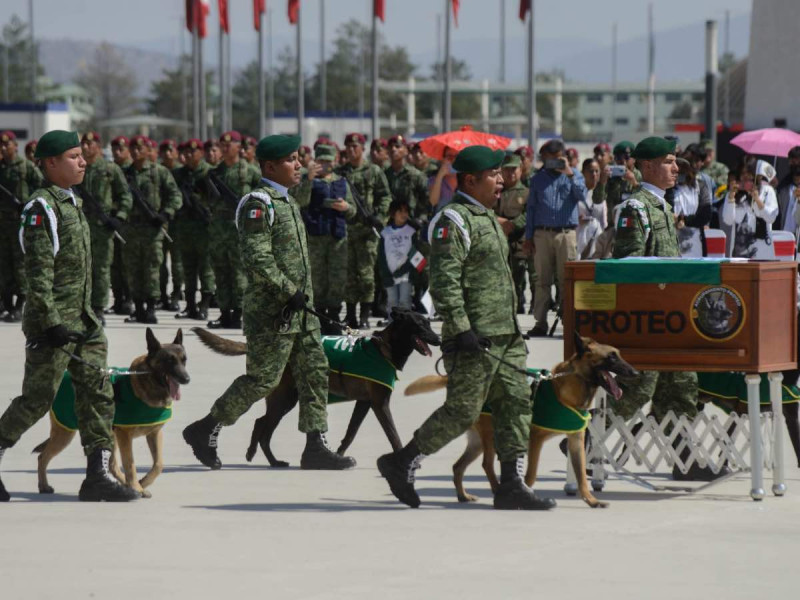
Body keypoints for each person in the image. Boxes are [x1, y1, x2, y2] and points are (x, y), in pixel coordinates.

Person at [376, 145, 555, 511]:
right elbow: (444, 281)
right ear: (470, 180)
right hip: (476, 338)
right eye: (494, 175)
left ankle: (511, 483)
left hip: (505, 335)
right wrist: (460, 330)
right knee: (463, 411)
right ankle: (403, 460)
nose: (502, 181)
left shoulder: (485, 215)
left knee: (517, 406)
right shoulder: (452, 220)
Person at [182, 134, 356, 471]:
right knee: (263, 380)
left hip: (301, 312)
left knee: (315, 372)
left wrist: (300, 296)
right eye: (292, 159)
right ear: (271, 166)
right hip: (273, 312)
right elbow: (257, 258)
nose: (298, 164)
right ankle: (206, 428)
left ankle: (315, 444)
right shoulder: (258, 203)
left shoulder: (287, 200)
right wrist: (287, 289)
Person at [0, 130, 138, 502]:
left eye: (82, 155)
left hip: (84, 320)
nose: (82, 162)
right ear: (50, 163)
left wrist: (85, 314)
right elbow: (38, 274)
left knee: (97, 392)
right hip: (54, 325)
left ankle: (97, 474)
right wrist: (50, 321)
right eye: (74, 156)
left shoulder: (72, 202)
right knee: (37, 398)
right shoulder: (40, 208)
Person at [612, 136, 720, 481]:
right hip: (648, 321)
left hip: (672, 318)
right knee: (638, 391)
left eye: (676, 162)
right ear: (646, 166)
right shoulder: (636, 208)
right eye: (669, 161)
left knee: (682, 388)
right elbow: (628, 268)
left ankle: (685, 460)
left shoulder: (661, 205)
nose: (676, 168)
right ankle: (582, 437)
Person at [523, 139, 586, 337]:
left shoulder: (574, 175)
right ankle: (540, 322)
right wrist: (529, 236)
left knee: (566, 280)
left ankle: (569, 322)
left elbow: (582, 196)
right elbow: (531, 209)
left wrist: (568, 172)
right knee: (542, 280)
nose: (552, 164)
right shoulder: (538, 178)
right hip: (542, 234)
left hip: (566, 234)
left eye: (556, 160)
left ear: (564, 157)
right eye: (548, 160)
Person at [295, 143, 356, 332]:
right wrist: (309, 180)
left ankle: (335, 313)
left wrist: (346, 207)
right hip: (316, 238)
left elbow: (353, 211)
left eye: (328, 161)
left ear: (335, 161)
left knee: (337, 278)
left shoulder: (342, 181)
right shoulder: (307, 179)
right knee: (318, 278)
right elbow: (299, 202)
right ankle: (320, 314)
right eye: (321, 161)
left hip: (337, 238)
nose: (325, 165)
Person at [121, 135, 182, 324]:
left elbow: (175, 196)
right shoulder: (124, 173)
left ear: (148, 150)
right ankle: (137, 308)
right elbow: (114, 195)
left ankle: (150, 308)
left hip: (152, 229)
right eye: (133, 148)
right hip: (131, 228)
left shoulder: (159, 172)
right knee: (133, 269)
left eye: (140, 148)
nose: (136, 151)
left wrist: (165, 214)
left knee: (152, 269)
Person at [335, 132, 392, 330]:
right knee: (349, 276)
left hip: (367, 231)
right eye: (348, 147)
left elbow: (385, 196)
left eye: (355, 147)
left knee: (366, 275)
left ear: (362, 148)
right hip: (347, 230)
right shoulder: (340, 173)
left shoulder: (374, 171)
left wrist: (380, 218)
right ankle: (350, 315)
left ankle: (365, 315)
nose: (352, 150)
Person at [207, 130, 262, 329]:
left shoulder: (250, 171)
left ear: (239, 147)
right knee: (221, 272)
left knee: (239, 273)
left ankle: (239, 313)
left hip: (240, 227)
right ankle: (224, 313)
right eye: (222, 144)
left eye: (229, 144)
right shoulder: (214, 173)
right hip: (218, 228)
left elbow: (263, 198)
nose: (225, 148)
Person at [79, 132, 133, 322]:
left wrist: (119, 217)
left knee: (101, 270)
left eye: (89, 143)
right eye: (83, 143)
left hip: (102, 228)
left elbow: (125, 196)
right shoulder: (77, 168)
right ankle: (81, 307)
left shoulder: (110, 169)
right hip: (79, 226)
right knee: (80, 268)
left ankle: (98, 308)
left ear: (98, 146)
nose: (85, 147)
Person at [0, 130, 43, 322]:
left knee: (20, 265)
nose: (3, 148)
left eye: (6, 144)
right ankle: (7, 303)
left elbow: (42, 189)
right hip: (2, 224)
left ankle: (21, 304)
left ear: (15, 146)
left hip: (21, 223)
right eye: (1, 145)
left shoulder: (26, 167)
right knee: (4, 265)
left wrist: (28, 204)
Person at [384, 134, 431, 312]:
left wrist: (421, 218)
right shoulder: (385, 175)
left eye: (398, 146)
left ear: (405, 150)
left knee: (418, 266)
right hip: (392, 230)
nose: (394, 150)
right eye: (391, 147)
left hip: (412, 229)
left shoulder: (415, 175)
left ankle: (419, 300)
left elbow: (426, 201)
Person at [172, 139, 216, 321]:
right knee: (188, 269)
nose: (189, 155)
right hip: (185, 228)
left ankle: (204, 305)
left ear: (200, 153)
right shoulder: (178, 174)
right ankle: (190, 306)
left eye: (193, 151)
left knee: (205, 269)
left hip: (204, 228)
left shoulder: (209, 173)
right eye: (186, 151)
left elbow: (216, 199)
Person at [494, 153, 532, 313]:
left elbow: (529, 213)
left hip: (518, 241)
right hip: (498, 239)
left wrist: (513, 224)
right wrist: (499, 221)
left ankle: (518, 305)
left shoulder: (526, 192)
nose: (511, 173)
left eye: (514, 169)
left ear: (521, 170)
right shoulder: (495, 191)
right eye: (507, 170)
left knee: (518, 276)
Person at [720, 159, 779, 258]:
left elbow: (771, 217)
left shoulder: (767, 191)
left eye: (749, 173)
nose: (745, 177)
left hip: (762, 251)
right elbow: (728, 220)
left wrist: (757, 199)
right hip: (739, 254)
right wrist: (731, 197)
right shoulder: (735, 193)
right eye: (742, 174)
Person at [377, 199, 424, 319]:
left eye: (406, 211)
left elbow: (415, 255)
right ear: (393, 213)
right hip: (390, 275)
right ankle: (392, 328)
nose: (404, 214)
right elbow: (381, 256)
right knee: (392, 303)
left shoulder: (411, 232)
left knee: (405, 302)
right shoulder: (385, 233)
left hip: (405, 276)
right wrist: (386, 274)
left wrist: (403, 270)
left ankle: (405, 329)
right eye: (400, 211)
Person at [108, 136, 134, 316]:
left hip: (131, 225)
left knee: (128, 265)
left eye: (121, 149)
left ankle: (129, 299)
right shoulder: (110, 170)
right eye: (114, 149)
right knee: (114, 264)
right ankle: (117, 299)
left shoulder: (133, 170)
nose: (117, 152)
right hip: (112, 223)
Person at [157, 139, 183, 311]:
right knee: (160, 263)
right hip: (158, 222)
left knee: (177, 263)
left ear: (176, 153)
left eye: (170, 150)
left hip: (179, 223)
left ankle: (176, 294)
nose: (167, 154)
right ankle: (162, 295)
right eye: (164, 150)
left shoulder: (182, 172)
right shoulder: (157, 171)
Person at [671, 157, 712, 256]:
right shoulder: (668, 188)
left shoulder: (700, 187)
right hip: (673, 238)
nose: (679, 175)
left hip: (695, 238)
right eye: (676, 172)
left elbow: (705, 215)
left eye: (682, 172)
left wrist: (683, 219)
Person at [592, 140, 640, 215]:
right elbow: (597, 201)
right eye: (618, 158)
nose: (623, 161)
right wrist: (602, 182)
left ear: (634, 158)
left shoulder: (640, 176)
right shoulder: (611, 175)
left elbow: (647, 201)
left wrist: (634, 183)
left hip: (634, 223)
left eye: (626, 157)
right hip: (613, 223)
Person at [576, 158, 607, 259]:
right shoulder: (577, 192)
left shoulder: (603, 194)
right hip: (579, 240)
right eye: (590, 171)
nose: (594, 174)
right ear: (583, 173)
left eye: (596, 171)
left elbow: (604, 221)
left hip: (598, 242)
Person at [775, 146, 800, 234]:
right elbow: (777, 214)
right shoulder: (783, 187)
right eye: (792, 161)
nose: (795, 163)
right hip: (784, 235)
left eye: (798, 160)